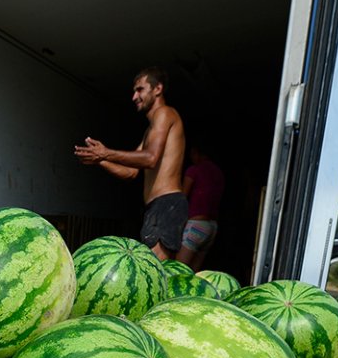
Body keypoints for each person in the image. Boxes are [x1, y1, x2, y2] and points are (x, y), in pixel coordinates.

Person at [74, 67, 186, 258]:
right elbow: (130, 172)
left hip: (167, 203)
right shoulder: (150, 129)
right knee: (152, 269)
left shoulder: (165, 113)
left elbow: (150, 159)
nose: (134, 97)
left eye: (140, 90)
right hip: (156, 206)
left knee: (154, 270)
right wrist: (99, 159)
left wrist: (106, 152)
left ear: (157, 89)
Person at [179, 143, 226, 271]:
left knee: (179, 270)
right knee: (195, 274)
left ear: (195, 152)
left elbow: (183, 197)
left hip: (196, 224)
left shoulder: (194, 170)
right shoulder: (219, 173)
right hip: (211, 227)